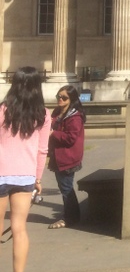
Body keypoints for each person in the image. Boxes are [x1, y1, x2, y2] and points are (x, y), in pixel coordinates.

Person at [0, 67, 52, 272]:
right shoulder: (44, 114)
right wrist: (37, 177)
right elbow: (42, 150)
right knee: (20, 228)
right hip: (25, 177)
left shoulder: (3, 111)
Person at [47, 85, 85, 229]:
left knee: (66, 187)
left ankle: (70, 218)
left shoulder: (74, 116)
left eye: (64, 97)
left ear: (72, 99)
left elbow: (71, 138)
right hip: (58, 156)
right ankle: (72, 215)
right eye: (59, 96)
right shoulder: (58, 112)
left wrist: (53, 133)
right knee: (65, 187)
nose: (60, 99)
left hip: (67, 157)